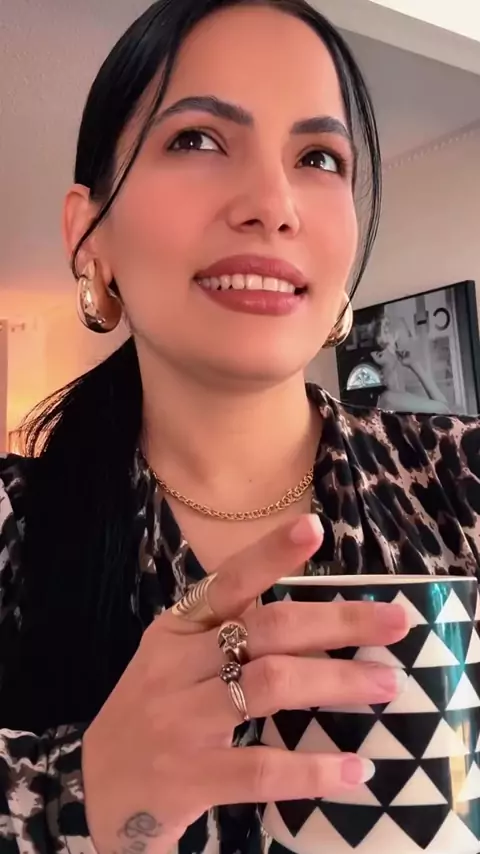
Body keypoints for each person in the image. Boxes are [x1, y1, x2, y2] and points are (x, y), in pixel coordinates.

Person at [0, 1, 479, 853]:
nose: (273, 204)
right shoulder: (14, 526)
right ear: (88, 233)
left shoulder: (463, 475)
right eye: (196, 139)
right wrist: (76, 795)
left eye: (319, 158)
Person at [370, 313, 451, 413]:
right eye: (394, 345)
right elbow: (445, 410)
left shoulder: (395, 397)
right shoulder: (388, 399)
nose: (400, 351)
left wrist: (414, 364)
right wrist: (416, 366)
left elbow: (445, 409)